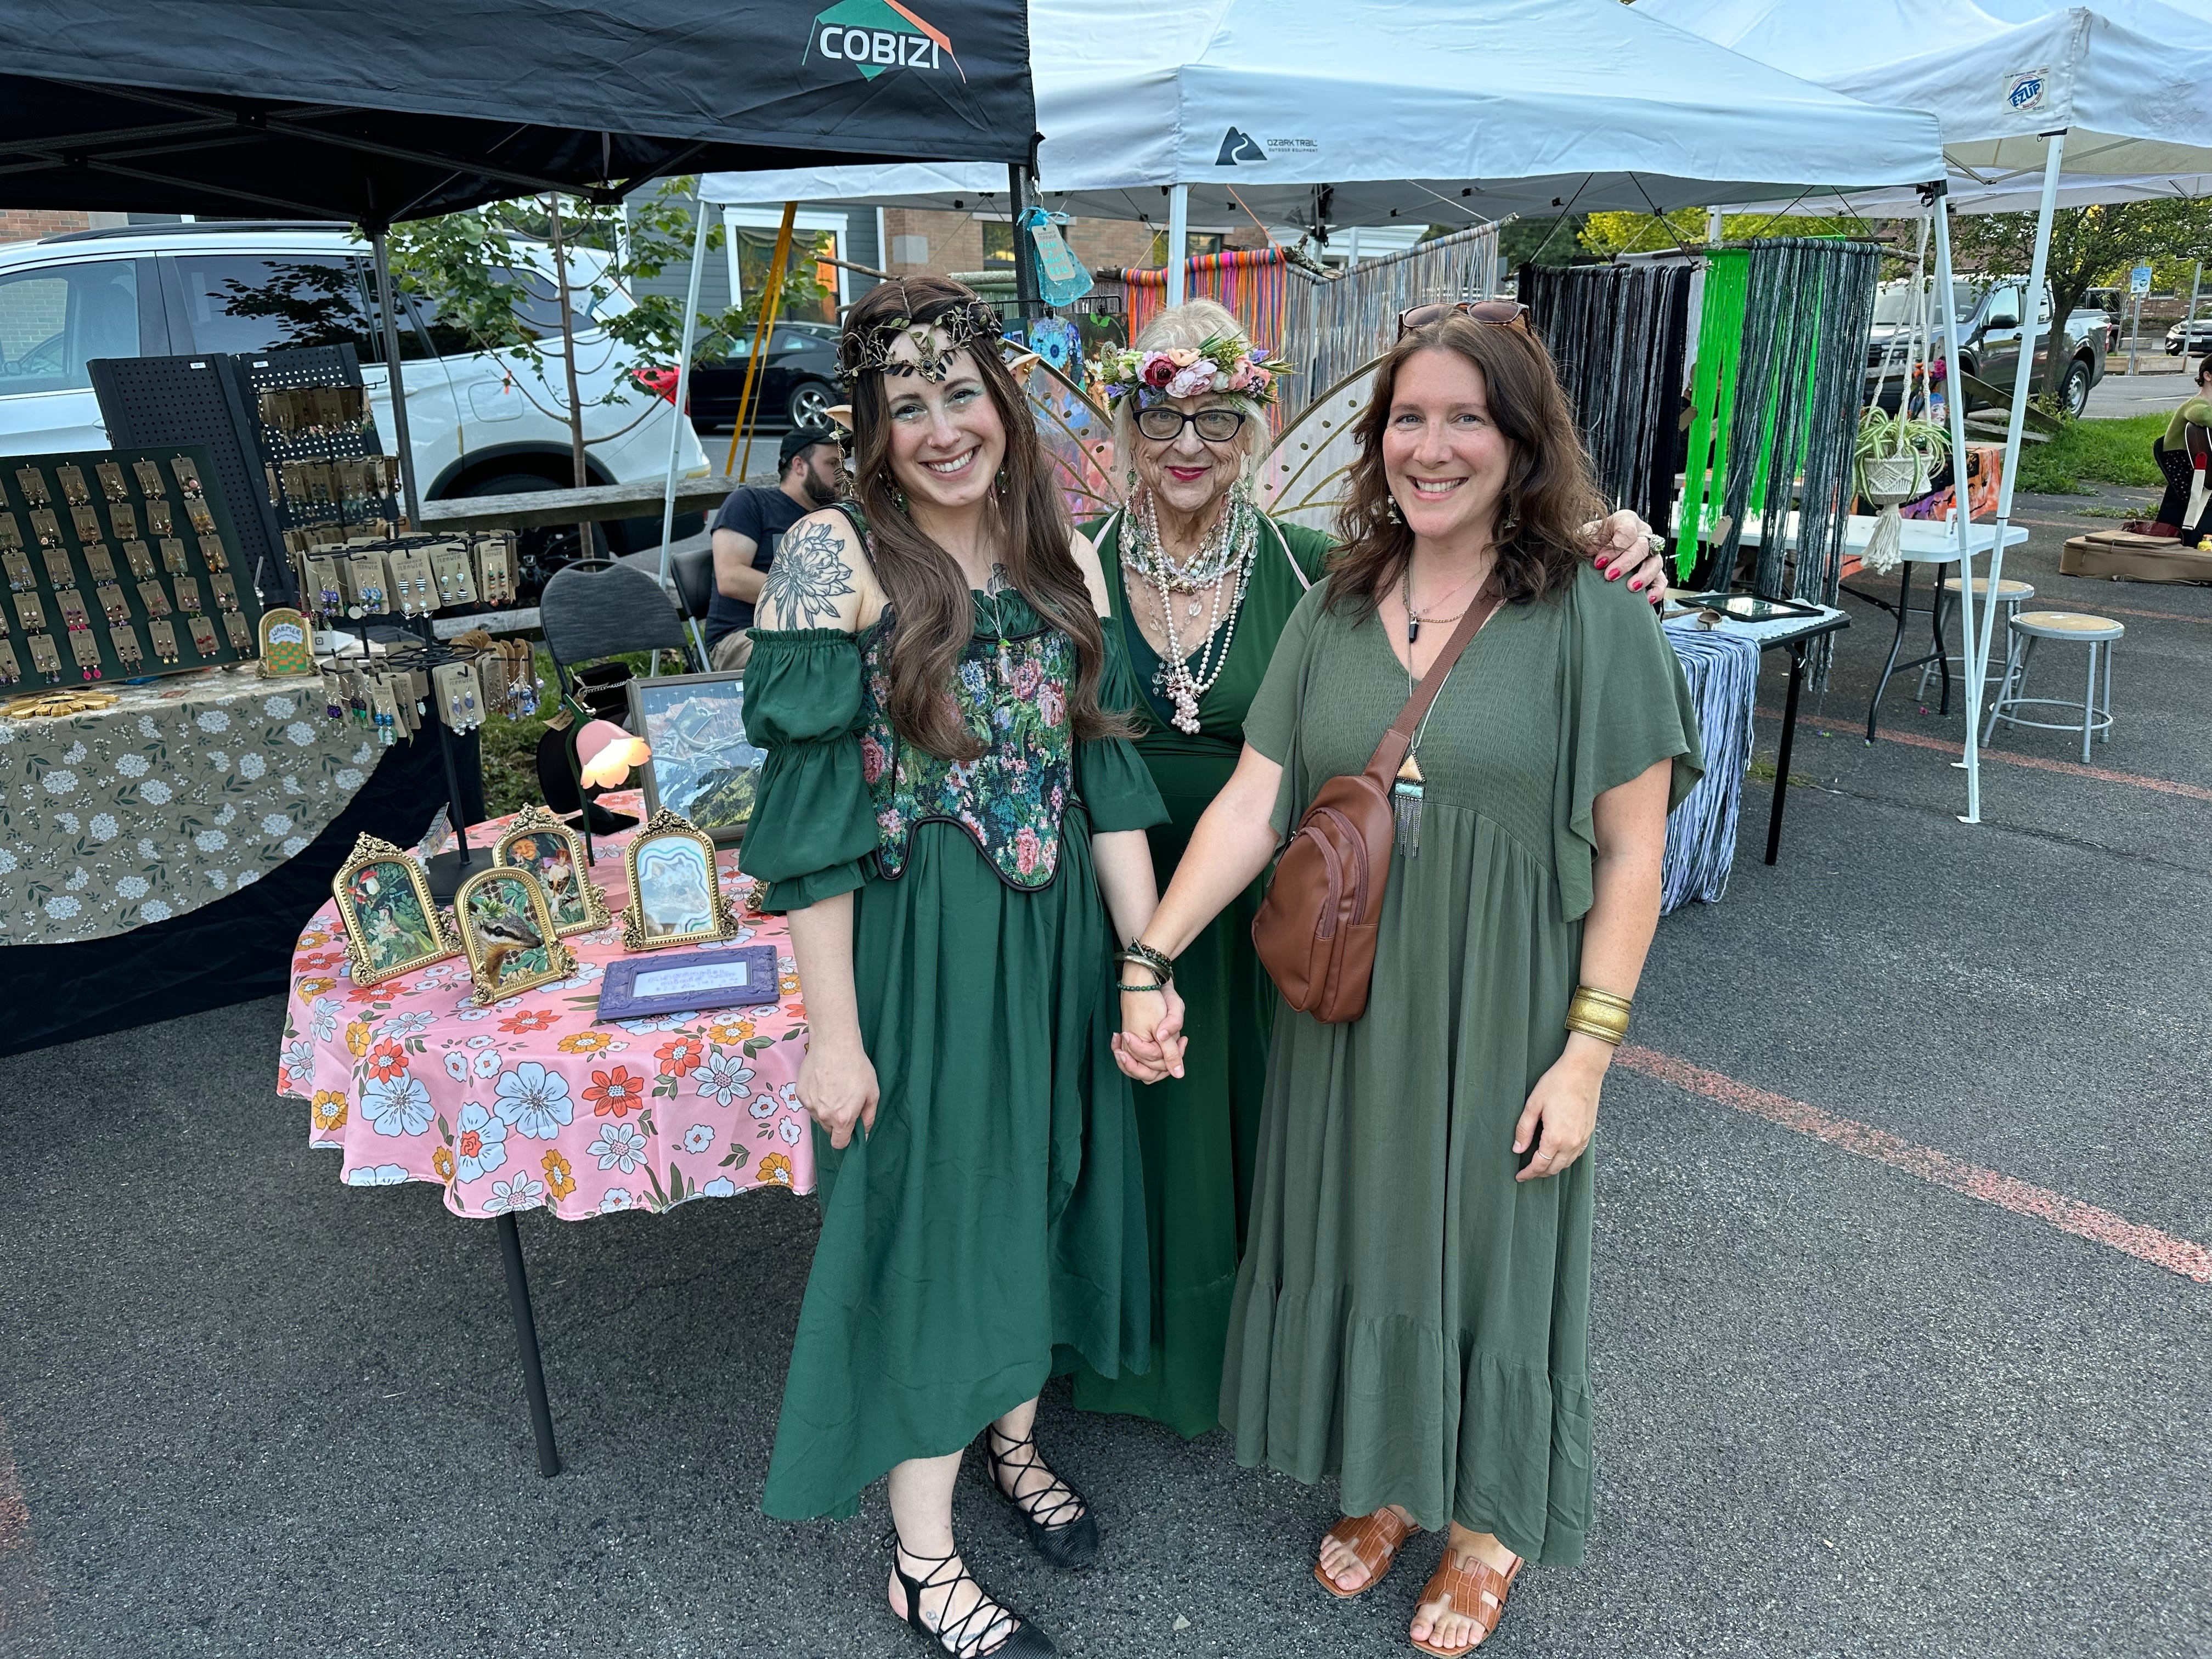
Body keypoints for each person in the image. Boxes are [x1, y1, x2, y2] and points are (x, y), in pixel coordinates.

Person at [1118, 304, 1702, 1655]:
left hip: (1506, 1005)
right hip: (1354, 994)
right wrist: (1152, 955)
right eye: (1409, 419)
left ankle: (1488, 1523)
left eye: (1467, 419)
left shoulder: (1595, 613)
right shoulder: (1336, 603)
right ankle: (1387, 1476)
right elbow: (1256, 800)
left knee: (1496, 1252)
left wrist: (1590, 1053)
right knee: (1366, 1226)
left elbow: (1633, 853)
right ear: (1377, 440)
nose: (1432, 448)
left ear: (1521, 439)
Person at [737, 276, 1176, 1659]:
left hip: (1055, 943)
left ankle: (1014, 1439)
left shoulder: (1061, 550)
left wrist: (1147, 962)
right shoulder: (832, 556)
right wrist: (836, 1036)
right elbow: (810, 831)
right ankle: (921, 1563)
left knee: (1046, 1184)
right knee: (936, 1229)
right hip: (922, 951)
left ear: (1005, 402)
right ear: (871, 427)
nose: (942, 429)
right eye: (907, 403)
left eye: (961, 393)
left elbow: (1104, 776)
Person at [703, 424, 844, 670]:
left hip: (819, 638)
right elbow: (731, 578)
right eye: (833, 464)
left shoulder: (838, 518)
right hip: (746, 635)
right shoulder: (751, 503)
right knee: (814, 663)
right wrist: (822, 597)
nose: (843, 474)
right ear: (800, 466)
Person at [2128, 352, 2212, 544]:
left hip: (2197, 466)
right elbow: (2203, 416)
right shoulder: (2196, 403)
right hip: (2182, 465)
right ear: (2207, 376)